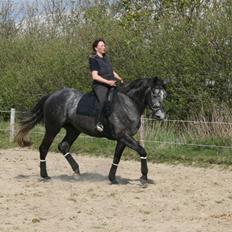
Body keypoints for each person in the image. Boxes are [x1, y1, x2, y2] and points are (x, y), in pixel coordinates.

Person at [89, 38, 123, 132]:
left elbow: (111, 71)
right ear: (96, 48)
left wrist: (119, 78)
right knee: (103, 101)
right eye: (101, 46)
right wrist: (108, 82)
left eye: (104, 45)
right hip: (100, 85)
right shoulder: (93, 59)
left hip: (111, 83)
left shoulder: (106, 58)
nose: (104, 47)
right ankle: (98, 123)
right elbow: (94, 76)